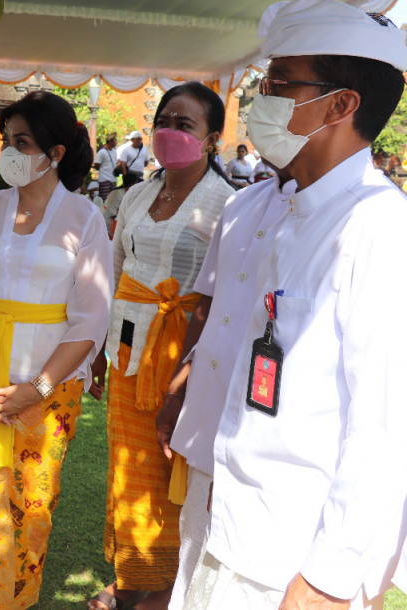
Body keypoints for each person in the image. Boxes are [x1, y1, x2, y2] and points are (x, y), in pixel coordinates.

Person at [184, 0, 407, 610]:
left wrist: (331, 578)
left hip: (293, 551)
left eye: (280, 84)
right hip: (229, 511)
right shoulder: (283, 209)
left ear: (340, 104)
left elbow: (387, 424)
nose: (261, 101)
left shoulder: (377, 226)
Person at [0, 90, 112, 609]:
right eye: (5, 140)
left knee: (31, 506)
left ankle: (15, 600)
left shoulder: (84, 219)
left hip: (48, 390)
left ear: (55, 152)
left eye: (22, 141)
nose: (8, 151)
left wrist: (34, 390)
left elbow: (91, 318)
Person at [90, 82, 234, 610]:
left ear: (213, 139)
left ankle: (165, 586)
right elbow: (116, 270)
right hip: (126, 353)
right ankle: (132, 576)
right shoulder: (137, 193)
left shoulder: (227, 205)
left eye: (186, 124)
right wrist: (101, 353)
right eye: (165, 120)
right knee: (128, 468)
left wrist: (192, 373)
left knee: (169, 468)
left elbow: (220, 298)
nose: (170, 132)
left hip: (181, 358)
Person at [152, 163, 296, 610]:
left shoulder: (362, 218)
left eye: (280, 88)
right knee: (196, 544)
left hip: (276, 448)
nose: (265, 99)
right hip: (211, 410)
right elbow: (210, 304)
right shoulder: (243, 202)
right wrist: (179, 388)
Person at [103, 172, 142, 237]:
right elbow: (110, 212)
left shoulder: (130, 193)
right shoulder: (117, 193)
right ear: (131, 184)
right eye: (136, 183)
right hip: (111, 224)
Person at [94, 133, 119, 199]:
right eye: (115, 140)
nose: (116, 142)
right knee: (105, 199)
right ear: (110, 141)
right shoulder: (102, 152)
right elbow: (96, 165)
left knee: (112, 199)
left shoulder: (114, 151)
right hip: (104, 179)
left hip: (113, 179)